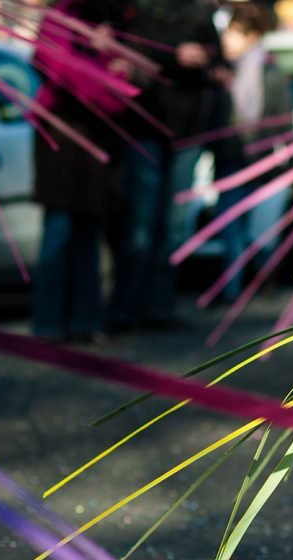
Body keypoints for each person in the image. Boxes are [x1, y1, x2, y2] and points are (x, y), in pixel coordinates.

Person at [106, 0, 223, 332]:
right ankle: (127, 305)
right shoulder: (139, 10)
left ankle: (159, 304)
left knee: (173, 227)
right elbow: (131, 49)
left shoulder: (200, 11)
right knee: (141, 225)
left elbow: (216, 55)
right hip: (147, 127)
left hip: (188, 131)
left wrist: (212, 61)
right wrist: (175, 55)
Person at [29, 0, 134, 344]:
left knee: (88, 235)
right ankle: (47, 324)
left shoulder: (106, 24)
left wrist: (104, 63)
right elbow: (62, 72)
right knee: (59, 233)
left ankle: (84, 320)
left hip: (95, 142)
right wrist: (103, 70)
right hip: (60, 141)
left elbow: (120, 97)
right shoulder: (58, 20)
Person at [210, 3, 292, 303]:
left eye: (235, 35)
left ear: (253, 36)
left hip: (262, 162)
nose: (228, 41)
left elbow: (284, 119)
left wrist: (290, 159)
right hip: (231, 159)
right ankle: (232, 290)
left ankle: (259, 281)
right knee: (230, 226)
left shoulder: (270, 70)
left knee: (259, 230)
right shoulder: (221, 72)